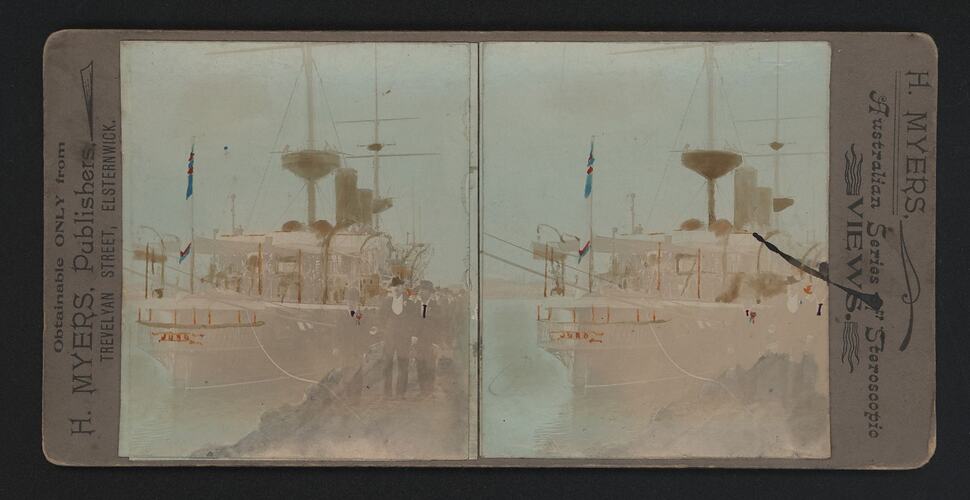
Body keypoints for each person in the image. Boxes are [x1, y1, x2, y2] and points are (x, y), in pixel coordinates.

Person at [381, 277, 412, 398]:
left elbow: (413, 320)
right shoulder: (386, 302)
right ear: (391, 289)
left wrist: (411, 334)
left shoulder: (409, 303)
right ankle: (387, 393)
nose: (396, 289)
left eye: (399, 286)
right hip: (389, 338)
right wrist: (384, 331)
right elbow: (380, 317)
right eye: (394, 287)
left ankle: (400, 393)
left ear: (402, 288)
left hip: (403, 338)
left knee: (403, 364)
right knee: (387, 364)